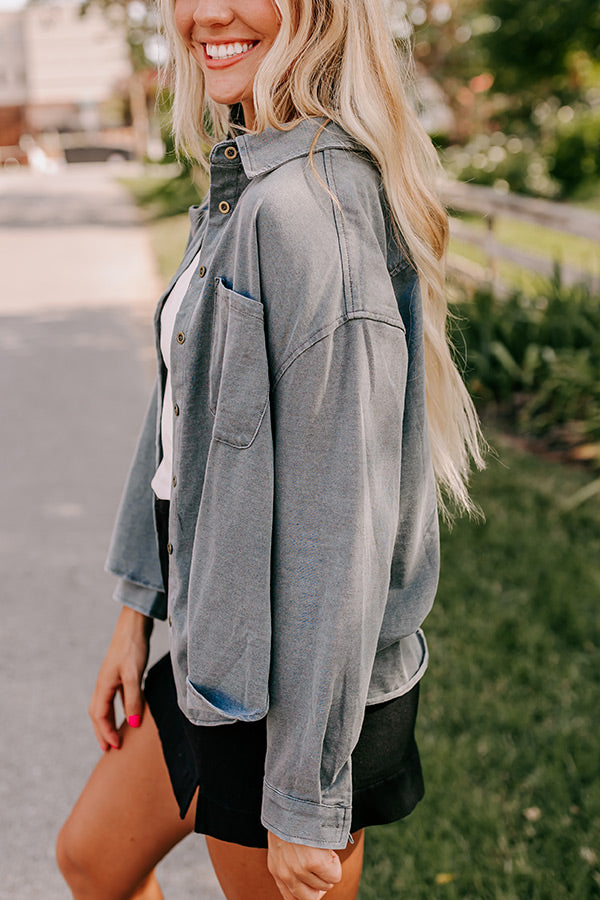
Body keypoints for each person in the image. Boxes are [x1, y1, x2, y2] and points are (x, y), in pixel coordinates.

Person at [56, 0, 484, 898]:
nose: (208, 12)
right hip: (221, 646)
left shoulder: (309, 216)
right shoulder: (243, 179)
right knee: (93, 861)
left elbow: (343, 537)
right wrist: (136, 611)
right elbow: (179, 420)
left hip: (297, 701)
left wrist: (304, 797)